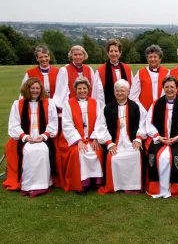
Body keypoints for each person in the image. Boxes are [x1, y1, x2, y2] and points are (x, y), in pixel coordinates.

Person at [3, 78, 58, 197]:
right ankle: (28, 185)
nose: (35, 90)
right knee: (28, 151)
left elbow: (53, 123)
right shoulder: (18, 104)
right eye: (32, 88)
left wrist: (43, 136)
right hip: (26, 138)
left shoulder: (49, 103)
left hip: (42, 137)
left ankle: (43, 185)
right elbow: (14, 124)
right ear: (27, 89)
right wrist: (25, 137)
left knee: (42, 150)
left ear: (41, 89)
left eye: (38, 88)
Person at [145, 76, 178, 198]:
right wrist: (158, 137)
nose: (169, 89)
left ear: (177, 88)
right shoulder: (156, 104)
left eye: (172, 87)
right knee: (157, 156)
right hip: (160, 139)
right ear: (163, 88)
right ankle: (157, 187)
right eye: (166, 87)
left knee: (170, 156)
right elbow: (148, 122)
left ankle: (174, 188)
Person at [52, 45, 95, 188]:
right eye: (75, 54)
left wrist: (91, 107)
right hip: (71, 108)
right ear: (71, 56)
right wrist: (66, 109)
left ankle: (94, 178)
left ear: (84, 55)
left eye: (80, 54)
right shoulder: (65, 70)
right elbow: (61, 91)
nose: (78, 57)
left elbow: (93, 91)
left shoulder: (89, 70)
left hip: (87, 107)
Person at [95, 79, 147, 194]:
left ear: (128, 92)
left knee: (136, 154)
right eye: (117, 91)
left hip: (131, 140)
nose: (119, 93)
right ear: (114, 92)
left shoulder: (137, 107)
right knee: (113, 157)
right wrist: (109, 143)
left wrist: (139, 138)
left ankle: (133, 186)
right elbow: (100, 126)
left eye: (122, 91)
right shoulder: (107, 108)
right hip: (115, 142)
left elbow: (144, 123)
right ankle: (118, 186)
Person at [62, 77, 103, 194]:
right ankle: (83, 183)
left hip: (91, 137)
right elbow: (67, 124)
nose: (82, 91)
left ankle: (95, 181)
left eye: (84, 88)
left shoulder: (95, 103)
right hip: (77, 138)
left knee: (97, 151)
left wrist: (95, 137)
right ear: (75, 89)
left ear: (88, 89)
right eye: (79, 88)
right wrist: (78, 140)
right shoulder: (68, 104)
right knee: (80, 153)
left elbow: (100, 122)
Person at [93, 39, 135, 108]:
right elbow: (97, 94)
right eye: (111, 51)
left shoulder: (127, 69)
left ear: (120, 53)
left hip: (126, 107)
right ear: (107, 53)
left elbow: (132, 90)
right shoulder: (100, 71)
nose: (114, 54)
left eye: (116, 51)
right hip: (107, 107)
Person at [131, 44, 170, 110]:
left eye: (155, 57)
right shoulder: (140, 73)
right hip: (144, 111)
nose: (152, 59)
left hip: (163, 109)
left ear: (160, 58)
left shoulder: (167, 73)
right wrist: (140, 109)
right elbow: (133, 95)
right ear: (147, 59)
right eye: (150, 57)